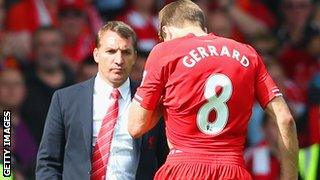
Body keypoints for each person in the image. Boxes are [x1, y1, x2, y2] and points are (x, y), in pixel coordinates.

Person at [128, 1, 299, 179]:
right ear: (203, 26)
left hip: (183, 168)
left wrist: (166, 101)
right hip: (232, 170)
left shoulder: (165, 50)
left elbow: (135, 126)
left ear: (166, 31)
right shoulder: (248, 54)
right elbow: (285, 119)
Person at [36, 21, 168, 180]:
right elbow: (48, 162)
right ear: (96, 54)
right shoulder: (65, 99)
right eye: (111, 51)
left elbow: (165, 161)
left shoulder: (152, 100)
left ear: (134, 57)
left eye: (126, 52)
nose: (119, 60)